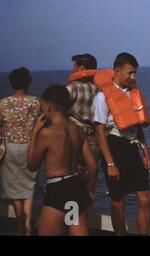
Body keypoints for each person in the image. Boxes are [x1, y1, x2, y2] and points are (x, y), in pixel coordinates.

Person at [94, 52, 150, 235]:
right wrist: (110, 163)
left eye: (135, 73)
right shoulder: (102, 97)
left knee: (146, 197)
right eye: (130, 73)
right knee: (118, 200)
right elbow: (99, 132)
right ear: (117, 71)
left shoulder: (134, 94)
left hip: (132, 147)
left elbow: (138, 127)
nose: (133, 77)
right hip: (114, 147)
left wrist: (146, 153)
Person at [28, 85, 97, 236]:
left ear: (49, 106)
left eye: (43, 105)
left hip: (58, 191)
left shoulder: (46, 133)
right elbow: (92, 167)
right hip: (76, 187)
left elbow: (32, 165)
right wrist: (90, 190)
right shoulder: (78, 131)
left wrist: (35, 133)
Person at [0, 67, 40, 235]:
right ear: (28, 81)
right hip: (30, 147)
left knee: (14, 186)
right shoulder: (36, 102)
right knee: (29, 184)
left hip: (8, 148)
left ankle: (19, 220)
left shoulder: (3, 103)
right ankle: (28, 224)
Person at [66, 54, 100, 177]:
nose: (73, 69)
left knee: (71, 178)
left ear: (81, 68)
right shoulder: (100, 89)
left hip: (74, 138)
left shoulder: (71, 88)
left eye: (75, 66)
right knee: (89, 179)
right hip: (94, 140)